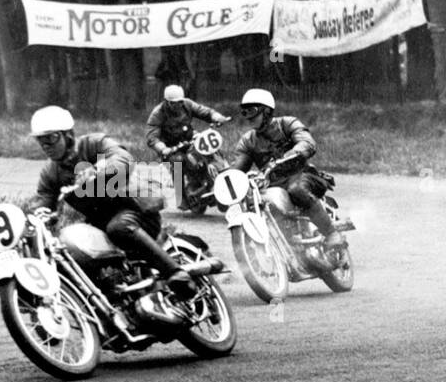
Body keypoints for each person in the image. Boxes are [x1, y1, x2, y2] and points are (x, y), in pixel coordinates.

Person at [30, 105, 195, 297]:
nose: (46, 146)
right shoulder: (51, 172)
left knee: (119, 227)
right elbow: (44, 199)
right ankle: (109, 301)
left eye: (50, 138)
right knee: (74, 251)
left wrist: (99, 170)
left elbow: (123, 158)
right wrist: (39, 214)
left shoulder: (93, 144)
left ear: (67, 135)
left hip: (135, 210)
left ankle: (177, 273)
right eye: (41, 141)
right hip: (100, 224)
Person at [229, 88, 344, 248]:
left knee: (296, 189)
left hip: (301, 175)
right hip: (272, 184)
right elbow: (237, 168)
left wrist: (289, 155)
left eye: (253, 110)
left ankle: (331, 233)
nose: (248, 116)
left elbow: (307, 143)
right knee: (255, 203)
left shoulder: (287, 124)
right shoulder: (248, 141)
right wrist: (225, 182)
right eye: (244, 111)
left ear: (267, 111)